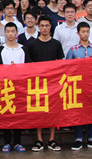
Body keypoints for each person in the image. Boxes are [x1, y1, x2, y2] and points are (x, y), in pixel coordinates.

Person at [26, 15, 64, 152]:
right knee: (38, 111)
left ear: (50, 27)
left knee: (53, 111)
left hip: (53, 82)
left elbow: (60, 63)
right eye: (42, 26)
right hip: (38, 82)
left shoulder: (56, 44)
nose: (44, 28)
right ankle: (39, 139)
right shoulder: (32, 45)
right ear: (38, 27)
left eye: (47, 26)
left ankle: (52, 139)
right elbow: (29, 64)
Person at [65, 22, 92, 151]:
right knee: (78, 112)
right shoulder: (73, 49)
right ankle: (78, 139)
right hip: (77, 86)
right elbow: (67, 67)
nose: (85, 34)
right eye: (83, 31)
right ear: (78, 33)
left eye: (87, 31)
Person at [0, 22, 29, 153]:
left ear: (17, 33)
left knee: (18, 114)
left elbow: (28, 67)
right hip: (5, 86)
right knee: (6, 114)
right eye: (8, 31)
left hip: (20, 86)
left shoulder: (23, 49)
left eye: (13, 31)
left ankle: (18, 142)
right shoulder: (1, 49)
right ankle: (7, 142)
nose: (10, 34)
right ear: (5, 33)